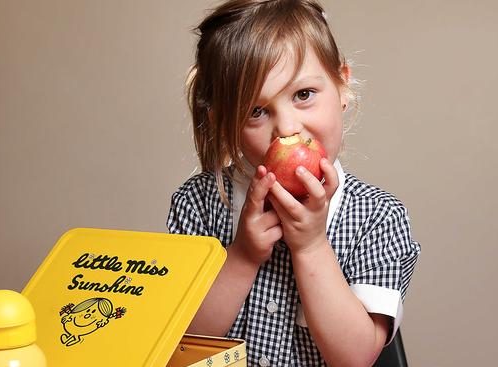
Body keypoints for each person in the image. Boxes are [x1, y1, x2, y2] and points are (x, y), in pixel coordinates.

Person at [167, 1, 421, 365]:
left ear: (342, 86)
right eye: (257, 111)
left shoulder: (378, 218)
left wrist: (311, 246)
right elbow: (179, 344)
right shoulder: (198, 204)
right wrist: (242, 256)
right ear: (224, 124)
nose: (286, 128)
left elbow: (355, 358)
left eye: (303, 95)